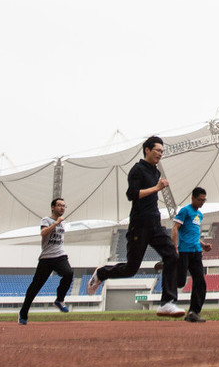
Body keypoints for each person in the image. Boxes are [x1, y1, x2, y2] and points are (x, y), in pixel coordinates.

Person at [85, 136, 185, 317]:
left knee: (171, 254)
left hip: (155, 223)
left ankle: (167, 303)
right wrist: (156, 188)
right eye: (157, 150)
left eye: (162, 151)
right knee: (131, 269)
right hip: (139, 225)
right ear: (147, 150)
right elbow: (132, 194)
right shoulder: (137, 170)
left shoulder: (155, 172)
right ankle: (101, 273)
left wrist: (156, 187)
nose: (160, 154)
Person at [18, 197, 75, 325]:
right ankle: (23, 314)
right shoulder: (46, 220)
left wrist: (59, 222)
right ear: (53, 207)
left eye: (64, 206)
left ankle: (59, 300)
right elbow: (43, 233)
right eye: (59, 205)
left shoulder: (63, 223)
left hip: (60, 255)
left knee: (69, 273)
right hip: (46, 258)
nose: (62, 208)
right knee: (35, 287)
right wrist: (55, 223)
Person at [172, 187, 211, 323]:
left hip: (196, 251)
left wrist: (203, 245)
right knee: (180, 282)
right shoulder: (185, 211)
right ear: (193, 198)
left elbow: (193, 233)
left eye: (204, 200)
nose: (201, 202)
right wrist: (174, 247)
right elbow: (175, 228)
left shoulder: (199, 215)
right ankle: (168, 267)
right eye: (199, 200)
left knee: (200, 281)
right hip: (184, 251)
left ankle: (193, 312)